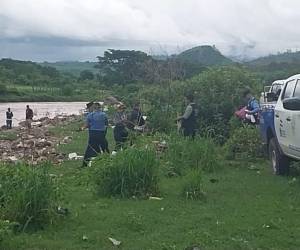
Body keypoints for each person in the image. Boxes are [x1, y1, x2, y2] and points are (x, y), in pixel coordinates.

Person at [82, 103, 109, 167]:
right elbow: (106, 124)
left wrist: (82, 128)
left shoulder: (90, 115)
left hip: (93, 133)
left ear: (94, 108)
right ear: (100, 108)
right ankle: (108, 161)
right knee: (104, 147)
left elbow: (87, 125)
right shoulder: (104, 115)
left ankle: (85, 164)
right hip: (101, 133)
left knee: (90, 148)